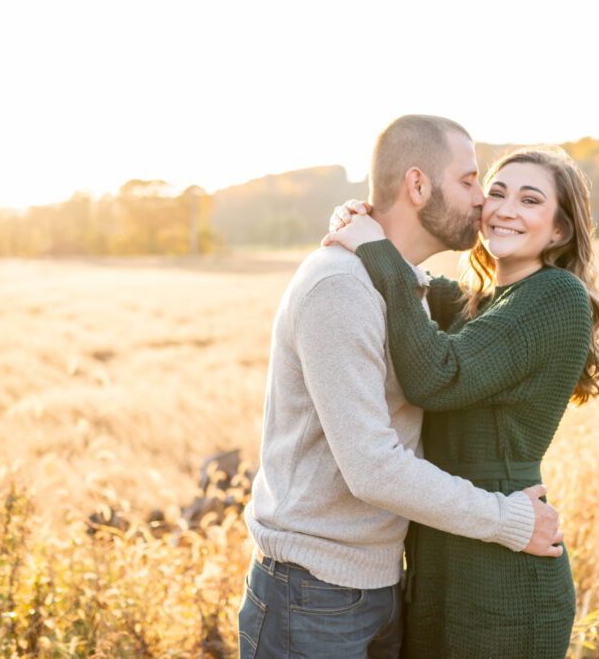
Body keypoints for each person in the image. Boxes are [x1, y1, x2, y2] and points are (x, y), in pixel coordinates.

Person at [238, 116, 565, 659]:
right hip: (313, 591)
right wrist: (505, 519)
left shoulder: (402, 285)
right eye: (470, 181)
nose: (483, 202)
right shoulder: (340, 286)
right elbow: (374, 466)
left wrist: (371, 242)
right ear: (417, 186)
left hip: (377, 584)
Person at [324, 146, 599, 658]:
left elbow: (437, 376)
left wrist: (376, 250)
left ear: (560, 231)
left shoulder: (556, 296)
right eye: (495, 192)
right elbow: (410, 287)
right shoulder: (477, 301)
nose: (504, 208)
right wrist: (364, 226)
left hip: (504, 565)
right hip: (443, 548)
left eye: (529, 200)